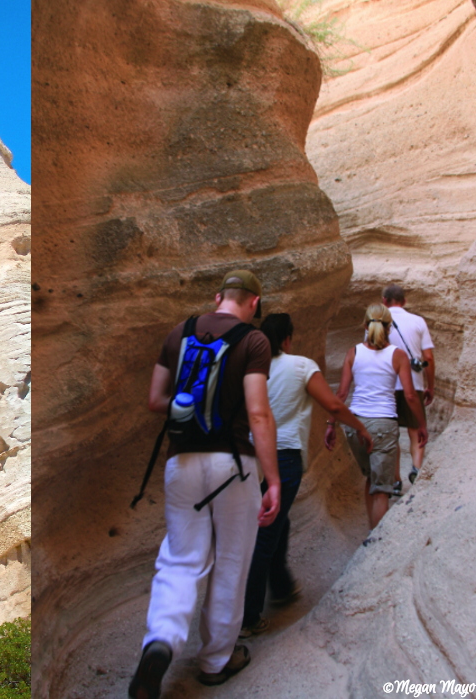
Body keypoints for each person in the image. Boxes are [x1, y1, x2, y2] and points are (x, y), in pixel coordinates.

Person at [128, 270, 281, 699]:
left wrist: (189, 403)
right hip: (233, 465)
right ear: (253, 302)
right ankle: (216, 661)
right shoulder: (254, 341)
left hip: (182, 462)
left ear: (217, 297)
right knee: (231, 561)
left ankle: (161, 641)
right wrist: (273, 480)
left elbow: (155, 400)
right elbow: (257, 414)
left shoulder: (180, 332)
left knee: (180, 559)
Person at [239, 314, 373, 638]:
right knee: (266, 536)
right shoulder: (301, 366)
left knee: (278, 521)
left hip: (247, 456)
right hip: (283, 458)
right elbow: (334, 405)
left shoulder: (251, 369)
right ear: (287, 338)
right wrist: (360, 428)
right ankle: (248, 617)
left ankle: (281, 585)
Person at [325, 304, 428, 530]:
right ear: (389, 328)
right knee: (382, 490)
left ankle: (370, 535)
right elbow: (410, 396)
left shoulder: (353, 352)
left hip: (354, 425)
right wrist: (421, 424)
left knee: (371, 479)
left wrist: (331, 425)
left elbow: (341, 394)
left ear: (365, 325)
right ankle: (375, 546)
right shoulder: (397, 355)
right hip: (382, 426)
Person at [382, 284, 435, 486]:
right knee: (416, 431)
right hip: (414, 385)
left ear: (384, 301)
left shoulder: (377, 324)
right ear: (404, 302)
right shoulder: (418, 321)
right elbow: (428, 356)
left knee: (392, 434)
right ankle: (417, 469)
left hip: (387, 386)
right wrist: (430, 385)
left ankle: (395, 481)